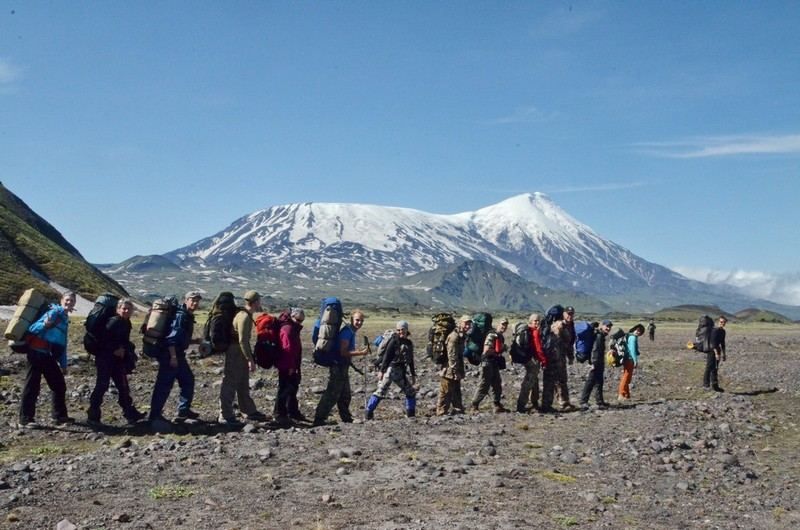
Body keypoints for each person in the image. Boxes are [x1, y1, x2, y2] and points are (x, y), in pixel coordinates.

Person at [19, 291, 76, 427]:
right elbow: (33, 328)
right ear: (61, 300)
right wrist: (44, 325)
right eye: (67, 300)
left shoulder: (64, 317)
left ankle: (59, 416)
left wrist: (63, 364)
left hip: (47, 355)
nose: (69, 303)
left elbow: (63, 342)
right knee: (32, 386)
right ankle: (25, 419)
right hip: (36, 352)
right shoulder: (54, 313)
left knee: (58, 384)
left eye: (72, 301)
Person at [87, 298, 145, 426]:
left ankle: (130, 414)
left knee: (123, 386)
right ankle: (93, 415)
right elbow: (102, 340)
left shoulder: (126, 322)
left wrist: (125, 349)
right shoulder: (113, 322)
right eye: (123, 308)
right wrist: (115, 349)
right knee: (102, 385)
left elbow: (122, 340)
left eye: (128, 309)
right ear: (118, 309)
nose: (126, 311)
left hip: (117, 360)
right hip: (105, 358)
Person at [149, 291, 202, 428]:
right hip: (171, 356)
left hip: (177, 355)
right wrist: (173, 357)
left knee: (188, 380)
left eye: (197, 300)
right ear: (186, 300)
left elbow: (180, 338)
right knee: (164, 385)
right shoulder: (180, 316)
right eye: (192, 300)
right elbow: (171, 339)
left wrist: (194, 341)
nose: (195, 303)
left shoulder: (185, 315)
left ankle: (183, 411)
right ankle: (154, 416)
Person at [218, 290, 268, 426]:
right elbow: (243, 341)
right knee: (230, 382)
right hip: (236, 351)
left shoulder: (243, 314)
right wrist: (250, 359)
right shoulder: (244, 317)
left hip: (238, 351)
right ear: (256, 302)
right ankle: (225, 414)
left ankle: (248, 410)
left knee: (242, 381)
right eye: (259, 301)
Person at [312, 309, 369, 426]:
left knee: (345, 394)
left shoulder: (350, 331)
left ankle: (346, 418)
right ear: (352, 319)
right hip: (338, 365)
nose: (359, 323)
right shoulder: (347, 332)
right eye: (357, 320)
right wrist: (361, 353)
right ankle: (319, 418)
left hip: (343, 366)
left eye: (361, 321)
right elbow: (343, 352)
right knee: (332, 393)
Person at [366, 320, 417, 419]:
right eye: (398, 330)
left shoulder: (408, 343)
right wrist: (381, 371)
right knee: (380, 391)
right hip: (390, 370)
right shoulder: (394, 341)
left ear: (407, 330)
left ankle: (411, 414)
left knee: (410, 391)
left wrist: (413, 374)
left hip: (400, 372)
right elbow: (387, 356)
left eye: (402, 329)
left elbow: (410, 359)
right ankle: (368, 413)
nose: (400, 332)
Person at [274, 307, 307, 426]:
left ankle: (292, 412)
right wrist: (291, 366)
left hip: (290, 364)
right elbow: (287, 350)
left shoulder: (292, 328)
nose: (299, 323)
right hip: (287, 365)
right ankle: (280, 414)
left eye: (301, 321)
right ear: (292, 317)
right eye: (298, 320)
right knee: (284, 389)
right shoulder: (288, 329)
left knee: (292, 388)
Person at [470, 317, 510, 413]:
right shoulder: (492, 335)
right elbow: (486, 350)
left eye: (505, 325)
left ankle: (496, 404)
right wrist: (499, 350)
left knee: (496, 384)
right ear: (497, 324)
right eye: (502, 324)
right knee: (484, 384)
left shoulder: (500, 336)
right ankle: (474, 405)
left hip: (494, 362)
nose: (504, 326)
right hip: (487, 362)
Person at [436, 315, 470, 416]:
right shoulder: (454, 337)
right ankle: (441, 412)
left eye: (469, 324)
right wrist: (455, 371)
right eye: (465, 323)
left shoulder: (461, 336)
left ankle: (458, 409)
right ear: (460, 323)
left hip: (455, 368)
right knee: (445, 391)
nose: (467, 326)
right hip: (449, 369)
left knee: (456, 389)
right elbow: (452, 356)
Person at [517, 313, 547, 413]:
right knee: (528, 382)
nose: (537, 323)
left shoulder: (529, 331)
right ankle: (521, 405)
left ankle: (534, 402)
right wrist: (544, 360)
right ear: (530, 322)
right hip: (533, 360)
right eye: (535, 321)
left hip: (528, 359)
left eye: (538, 321)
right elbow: (538, 349)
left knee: (534, 380)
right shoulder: (534, 333)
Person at [579, 319, 612, 409]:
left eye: (609, 327)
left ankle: (600, 402)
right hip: (596, 362)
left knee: (599, 382)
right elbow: (595, 350)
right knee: (591, 381)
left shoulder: (600, 335)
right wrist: (593, 363)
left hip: (598, 362)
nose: (608, 328)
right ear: (602, 326)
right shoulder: (599, 336)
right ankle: (583, 401)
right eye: (607, 326)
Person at [554, 306, 576, 409]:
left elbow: (569, 343)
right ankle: (560, 400)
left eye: (571, 314)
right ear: (564, 314)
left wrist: (570, 356)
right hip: (554, 355)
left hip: (562, 355)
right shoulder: (559, 325)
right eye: (568, 314)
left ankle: (565, 400)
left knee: (563, 378)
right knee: (557, 379)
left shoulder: (571, 326)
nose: (570, 316)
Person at [618, 323, 644, 402]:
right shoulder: (633, 338)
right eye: (638, 330)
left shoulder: (629, 336)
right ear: (634, 329)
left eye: (640, 331)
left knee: (627, 377)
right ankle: (621, 394)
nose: (638, 332)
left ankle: (626, 394)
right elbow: (632, 350)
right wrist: (635, 360)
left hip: (626, 359)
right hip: (629, 359)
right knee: (626, 377)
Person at [704, 315, 727, 392]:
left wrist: (724, 354)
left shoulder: (723, 331)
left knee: (715, 368)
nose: (722, 323)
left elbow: (723, 343)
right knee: (709, 367)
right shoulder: (715, 330)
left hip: (718, 351)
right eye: (721, 322)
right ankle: (706, 384)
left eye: (724, 322)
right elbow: (713, 343)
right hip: (712, 351)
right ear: (718, 322)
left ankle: (715, 385)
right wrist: (716, 353)